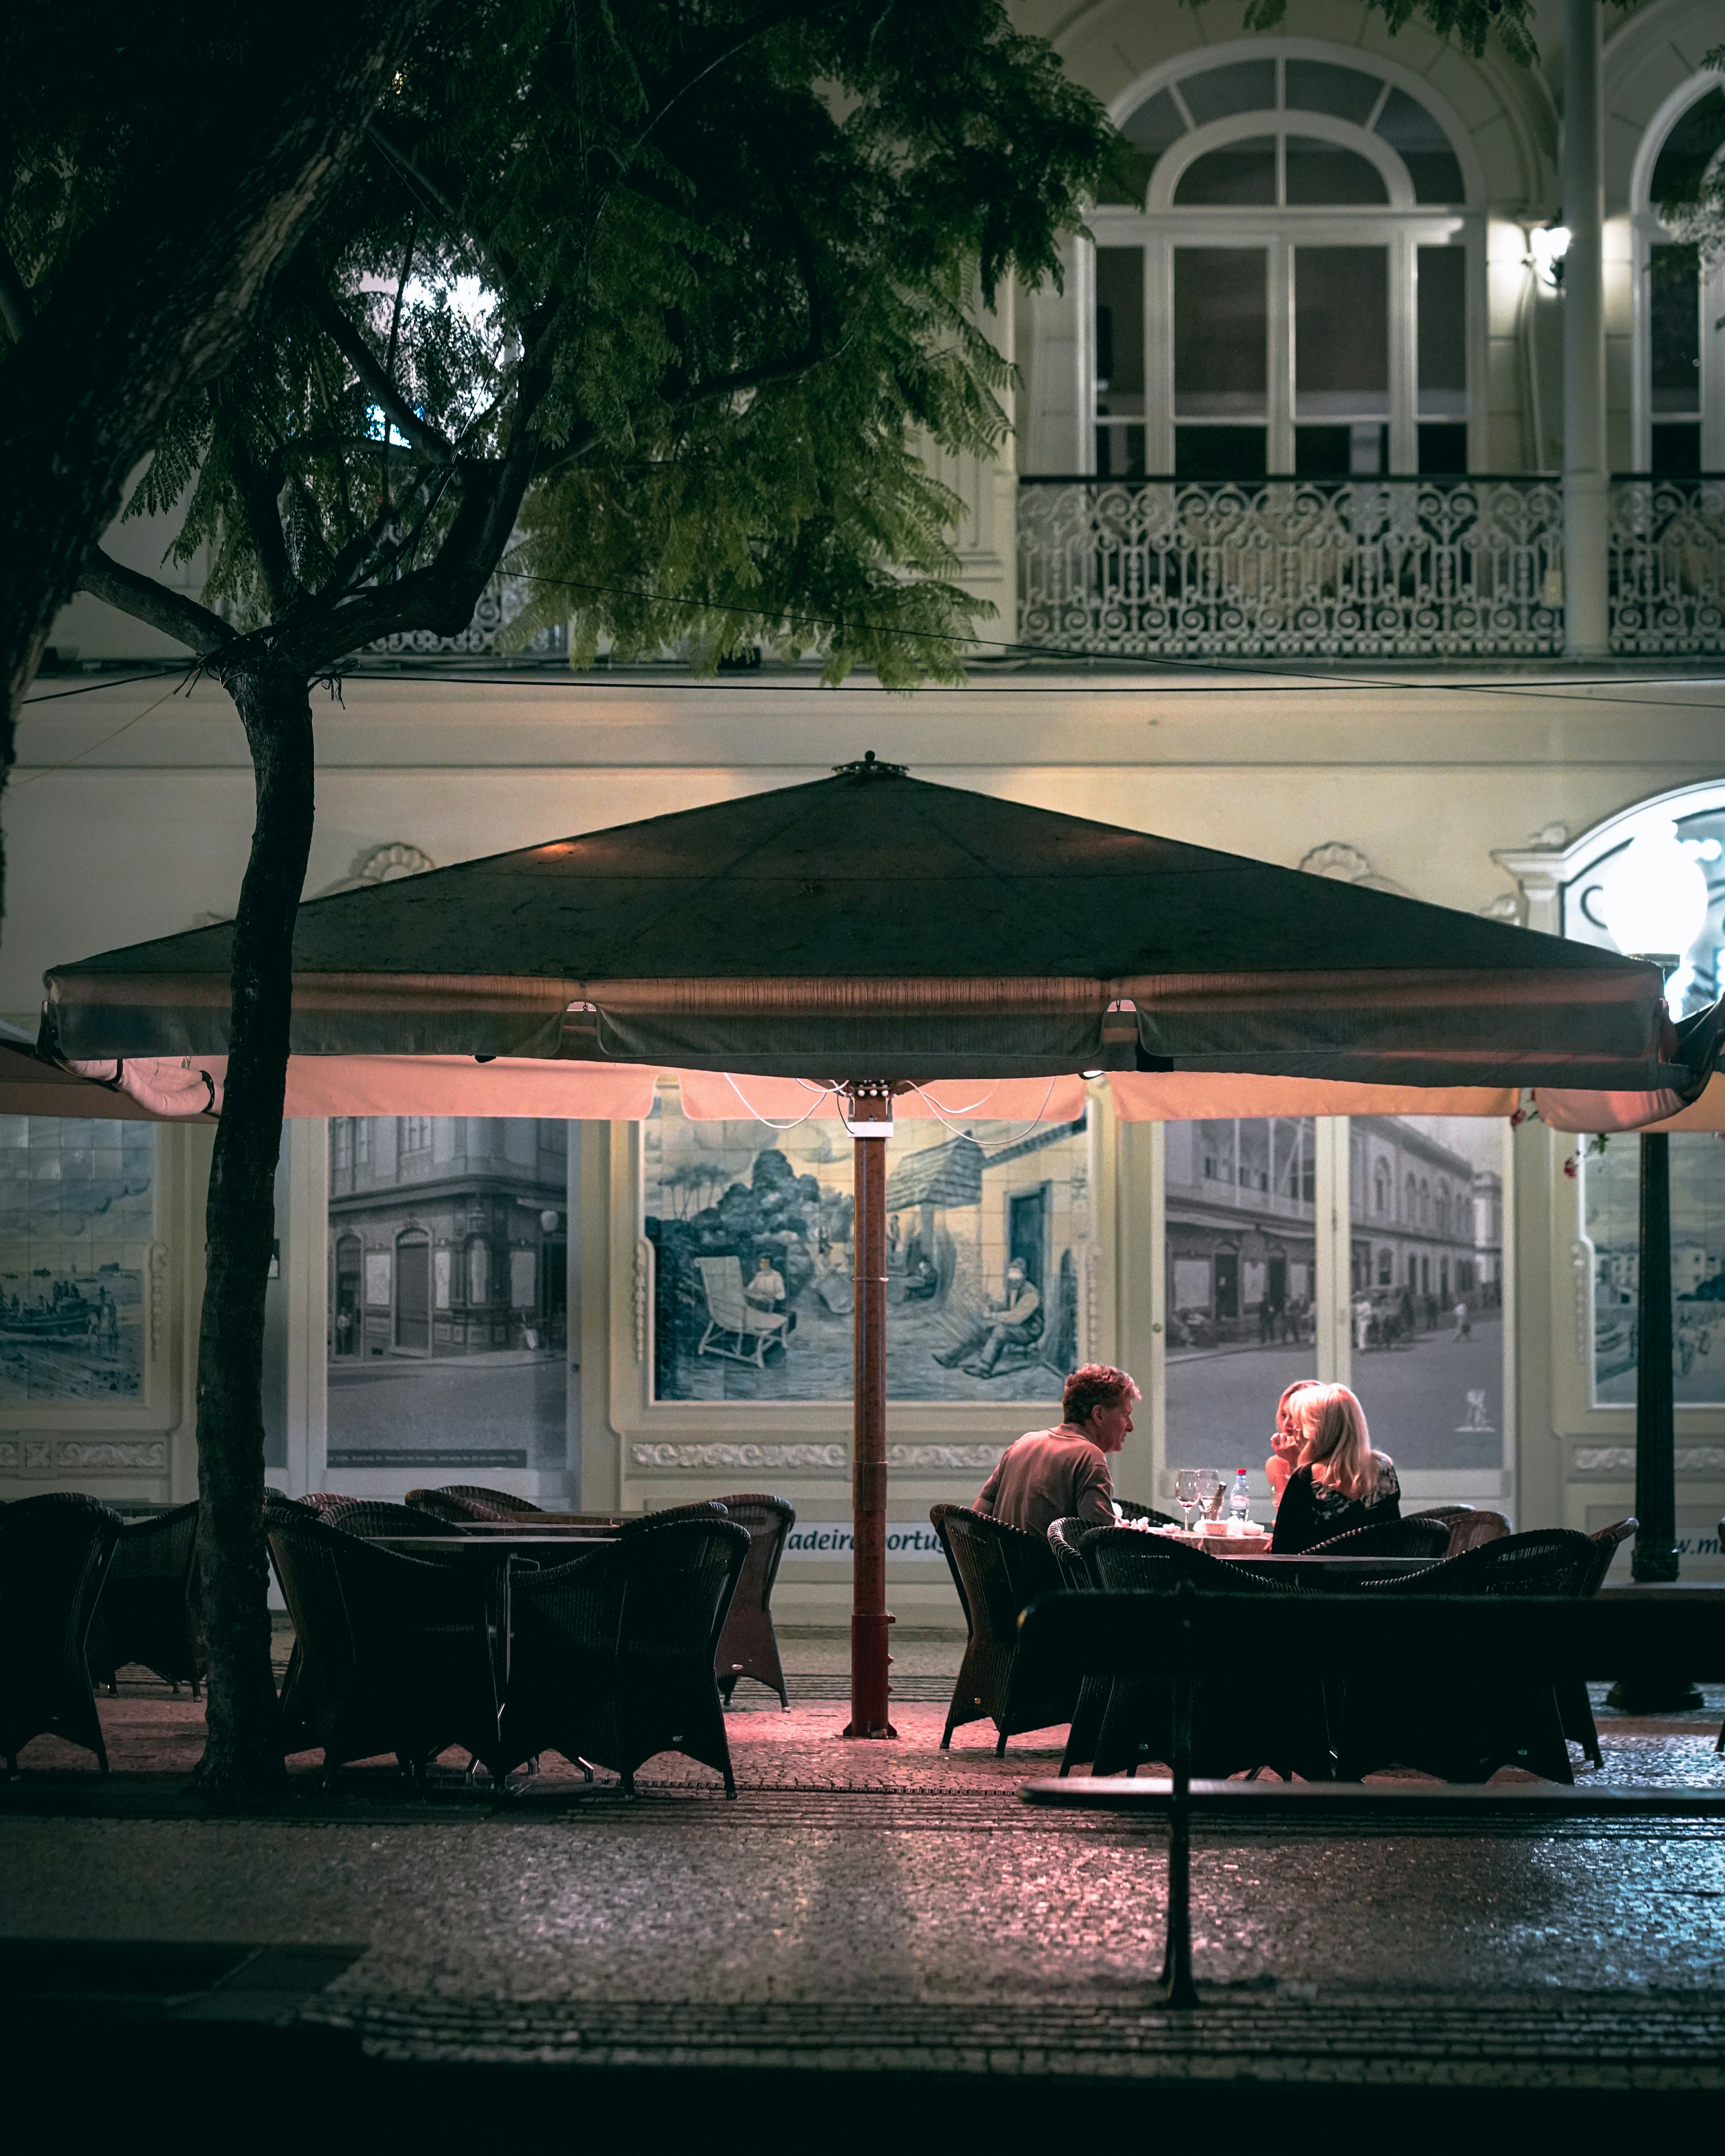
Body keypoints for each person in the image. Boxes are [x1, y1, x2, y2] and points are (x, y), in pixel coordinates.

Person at [972, 1362, 1139, 1536]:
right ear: (1099, 1415)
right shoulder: (1089, 1458)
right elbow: (1100, 1543)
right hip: (1051, 1564)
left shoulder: (1024, 1443)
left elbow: (979, 1513)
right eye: (1126, 1416)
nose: (1131, 1427)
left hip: (1001, 1564)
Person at [1269, 1383, 1401, 1554]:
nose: (1295, 1429)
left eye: (1300, 1422)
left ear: (1316, 1429)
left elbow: (1283, 1552)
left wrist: (1298, 1467)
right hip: (1385, 1579)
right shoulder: (1384, 1469)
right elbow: (1396, 1538)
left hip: (1321, 1580)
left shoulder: (1306, 1478)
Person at [934, 1256, 1042, 1375]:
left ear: (1025, 1276)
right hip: (1018, 1327)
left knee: (1001, 1331)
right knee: (982, 1333)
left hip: (1030, 1331)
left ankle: (985, 1368)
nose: (1013, 1279)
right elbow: (1008, 1309)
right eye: (1011, 1275)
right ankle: (950, 1359)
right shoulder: (1014, 1290)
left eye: (1017, 1276)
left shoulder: (1031, 1294)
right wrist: (993, 1304)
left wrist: (994, 1316)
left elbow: (1017, 1318)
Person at [1264, 1376, 1321, 1506]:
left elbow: (1322, 1516)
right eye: (1284, 1416)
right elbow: (1289, 1519)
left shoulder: (1336, 1462)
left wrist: (1297, 1463)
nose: (1286, 1425)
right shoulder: (1278, 1465)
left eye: (1295, 1416)